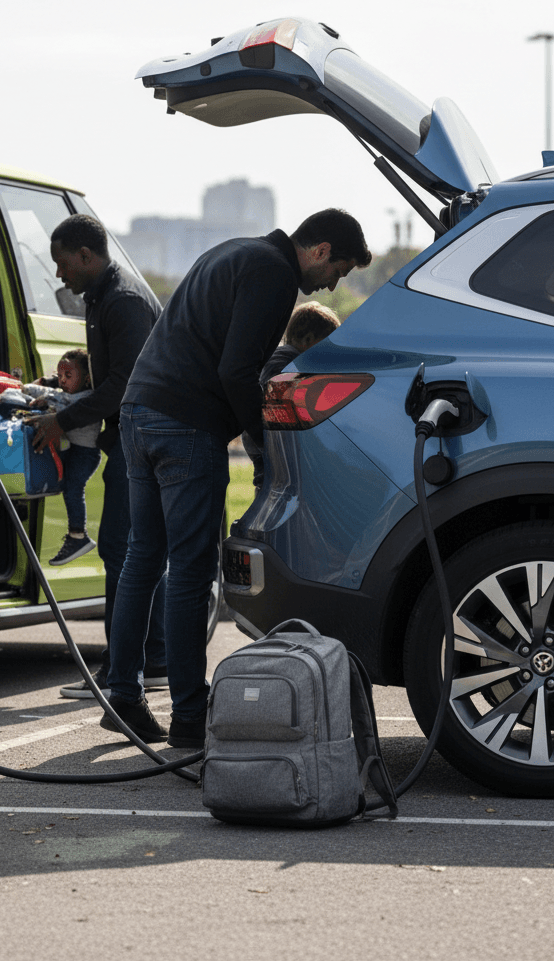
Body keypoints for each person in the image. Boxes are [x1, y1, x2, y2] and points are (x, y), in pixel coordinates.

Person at [101, 208, 371, 746]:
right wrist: (269, 446)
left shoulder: (232, 250)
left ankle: (123, 699)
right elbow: (236, 370)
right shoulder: (273, 273)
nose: (333, 285)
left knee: (142, 559)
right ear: (319, 251)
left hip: (138, 411)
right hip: (185, 425)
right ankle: (189, 717)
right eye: (337, 270)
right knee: (191, 573)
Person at [24, 214, 168, 699]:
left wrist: (61, 421)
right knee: (139, 551)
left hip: (143, 438)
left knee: (121, 551)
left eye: (63, 264)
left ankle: (120, 672)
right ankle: (157, 658)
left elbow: (124, 384)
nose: (59, 275)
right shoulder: (106, 295)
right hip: (135, 436)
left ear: (86, 256)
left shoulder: (122, 300)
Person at [242, 300, 342, 489]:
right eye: (326, 346)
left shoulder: (282, 359)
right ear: (308, 340)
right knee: (273, 491)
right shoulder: (285, 363)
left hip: (264, 449)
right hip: (270, 451)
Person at [20, 349, 101, 565]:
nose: (62, 381)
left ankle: (78, 535)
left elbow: (59, 399)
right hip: (72, 447)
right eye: (60, 375)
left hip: (85, 454)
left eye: (68, 376)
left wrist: (25, 389)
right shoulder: (70, 394)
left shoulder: (86, 398)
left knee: (73, 487)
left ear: (86, 379)